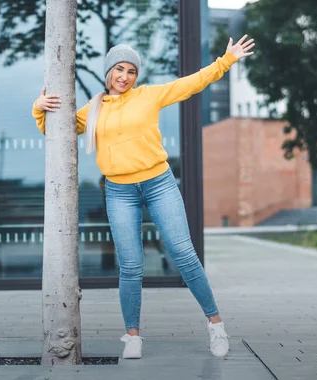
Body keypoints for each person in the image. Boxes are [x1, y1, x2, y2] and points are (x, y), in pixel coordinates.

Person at [32, 35, 255, 359]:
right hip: (119, 191)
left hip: (158, 183)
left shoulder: (149, 96)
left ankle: (216, 325)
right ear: (109, 72)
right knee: (131, 266)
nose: (124, 76)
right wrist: (39, 108)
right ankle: (133, 336)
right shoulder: (92, 109)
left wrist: (227, 59)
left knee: (184, 255)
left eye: (131, 71)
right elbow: (53, 128)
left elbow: (192, 83)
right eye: (119, 69)